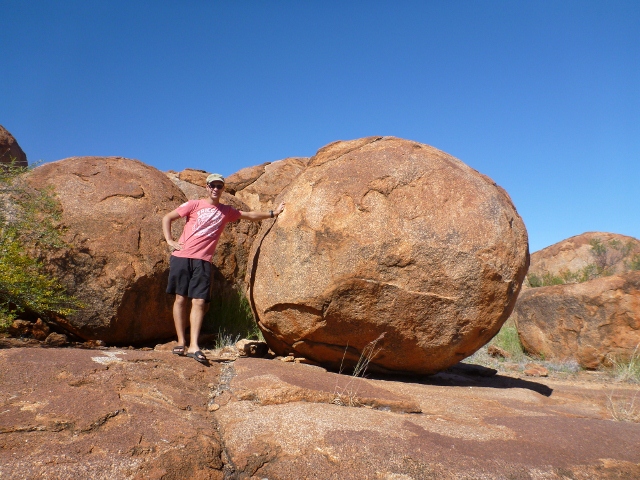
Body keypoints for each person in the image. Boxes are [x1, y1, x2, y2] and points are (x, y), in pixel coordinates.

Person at [162, 173, 284, 364]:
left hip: (203, 260)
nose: (215, 189)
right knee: (180, 299)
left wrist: (272, 213)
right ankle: (181, 341)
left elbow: (249, 216)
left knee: (200, 302)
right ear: (207, 186)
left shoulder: (226, 211)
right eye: (212, 185)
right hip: (182, 257)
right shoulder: (193, 204)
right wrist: (170, 240)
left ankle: (194, 345)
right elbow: (168, 218)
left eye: (219, 186)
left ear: (223, 189)